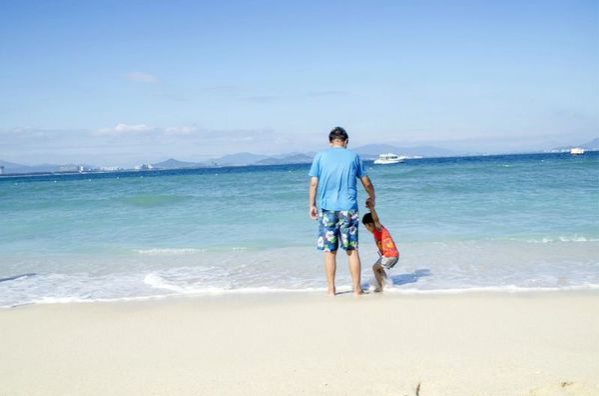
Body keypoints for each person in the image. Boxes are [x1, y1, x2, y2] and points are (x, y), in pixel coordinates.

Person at [308, 127, 375, 296]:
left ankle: (331, 290)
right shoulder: (353, 156)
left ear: (330, 142)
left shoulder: (320, 156)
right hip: (348, 210)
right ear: (346, 141)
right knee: (352, 250)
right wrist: (372, 197)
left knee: (330, 251)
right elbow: (366, 182)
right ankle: (357, 289)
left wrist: (312, 205)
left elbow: (314, 183)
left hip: (327, 210)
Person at [362, 199, 400, 292]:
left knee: (375, 267)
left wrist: (372, 209)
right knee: (378, 268)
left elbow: (376, 220)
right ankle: (386, 284)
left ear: (370, 224)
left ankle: (382, 287)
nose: (367, 229)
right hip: (390, 255)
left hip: (390, 255)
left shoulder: (379, 229)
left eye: (366, 227)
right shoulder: (376, 232)